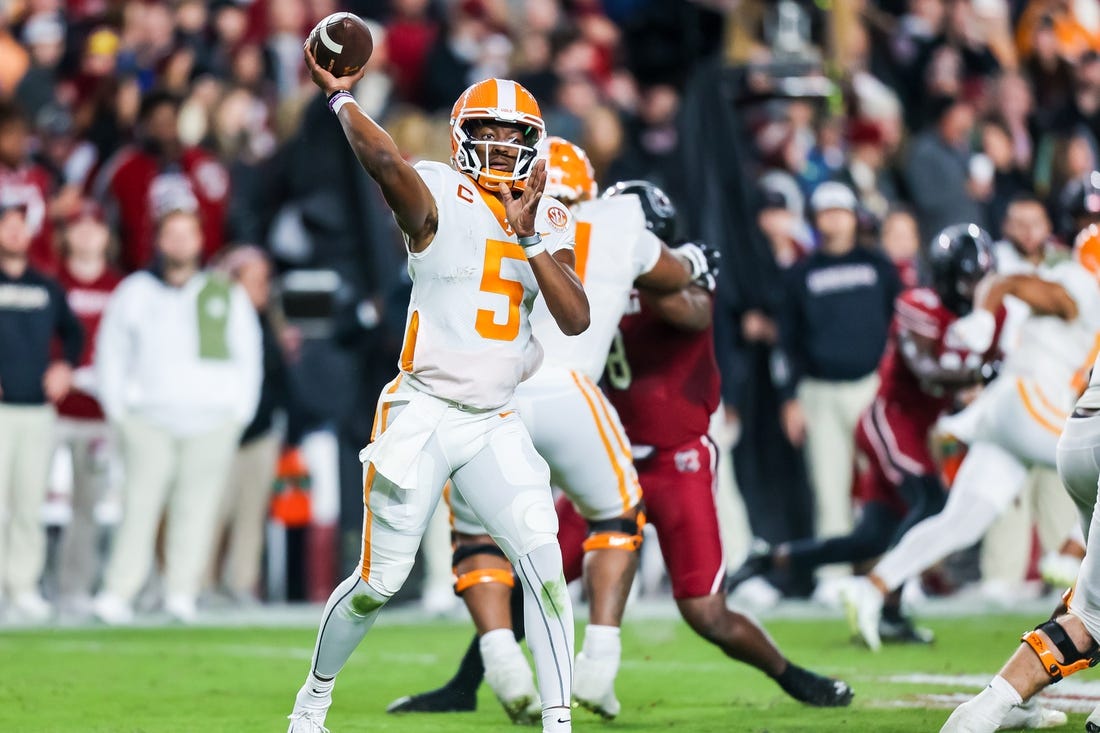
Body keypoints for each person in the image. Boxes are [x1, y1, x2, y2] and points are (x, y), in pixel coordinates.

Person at [385, 181, 854, 722]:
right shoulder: (594, 283)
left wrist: (647, 268)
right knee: (535, 571)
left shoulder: (661, 287)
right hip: (610, 455)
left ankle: (791, 676)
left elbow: (695, 312)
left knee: (705, 610)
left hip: (678, 460)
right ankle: (470, 682)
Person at [287, 46, 590, 733]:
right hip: (422, 408)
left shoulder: (552, 219)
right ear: (462, 139)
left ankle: (559, 721)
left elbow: (575, 318)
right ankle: (312, 700)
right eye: (487, 132)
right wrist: (341, 99)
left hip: (495, 419)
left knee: (543, 564)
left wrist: (532, 239)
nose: (501, 146)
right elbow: (387, 164)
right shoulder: (438, 191)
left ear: (536, 147)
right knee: (377, 585)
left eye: (514, 136)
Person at [390, 144, 707, 722]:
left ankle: (504, 665)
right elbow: (679, 274)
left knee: (476, 538)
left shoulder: (467, 215)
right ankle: (599, 663)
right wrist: (695, 260)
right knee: (617, 518)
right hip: (570, 393)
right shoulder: (614, 222)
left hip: (489, 396)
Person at [843, 222, 1100, 652]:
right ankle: (1070, 552)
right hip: (1029, 403)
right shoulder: (1082, 285)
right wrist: (982, 317)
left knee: (961, 521)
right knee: (1088, 460)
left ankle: (872, 586)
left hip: (1009, 411)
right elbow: (1006, 280)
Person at [940, 225, 1100, 733]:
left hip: (1078, 434)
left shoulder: (1078, 284)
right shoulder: (1074, 287)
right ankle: (983, 712)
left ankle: (1025, 701)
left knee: (1090, 593)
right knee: (1094, 621)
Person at [92, 204, 262, 625]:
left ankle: (181, 593)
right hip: (148, 418)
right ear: (159, 240)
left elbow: (249, 355)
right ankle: (119, 592)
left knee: (197, 510)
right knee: (138, 507)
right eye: (173, 234)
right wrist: (119, 411)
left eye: (189, 234)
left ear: (201, 241)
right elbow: (110, 353)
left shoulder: (225, 291)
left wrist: (237, 414)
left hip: (211, 420)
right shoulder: (135, 291)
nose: (181, 242)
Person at [777, 181, 902, 571]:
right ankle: (832, 575)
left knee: (885, 487)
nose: (833, 219)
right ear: (815, 219)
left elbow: (899, 328)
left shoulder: (879, 266)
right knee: (829, 487)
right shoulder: (799, 274)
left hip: (872, 387)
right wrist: (789, 399)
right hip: (819, 390)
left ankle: (891, 572)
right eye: (825, 212)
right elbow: (787, 343)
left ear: (854, 217)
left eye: (840, 211)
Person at [0, 188, 82, 621]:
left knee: (29, 505)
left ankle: (22, 586)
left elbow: (74, 334)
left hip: (35, 410)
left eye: (20, 224)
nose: (14, 232)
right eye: (6, 224)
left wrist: (65, 368)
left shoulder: (45, 286)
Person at [209, 245, 302, 604]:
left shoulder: (270, 323)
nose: (263, 287)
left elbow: (281, 383)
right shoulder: (215, 318)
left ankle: (241, 583)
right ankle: (201, 583)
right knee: (214, 513)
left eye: (266, 279)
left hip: (261, 433)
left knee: (251, 516)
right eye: (255, 279)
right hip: (224, 431)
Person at [53, 201, 123, 615]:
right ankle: (15, 587)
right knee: (17, 503)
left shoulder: (121, 287)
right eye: (77, 226)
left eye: (93, 226)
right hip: (51, 409)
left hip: (100, 416)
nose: (85, 234)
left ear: (106, 235)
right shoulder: (51, 281)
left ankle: (73, 588)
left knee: (88, 506)